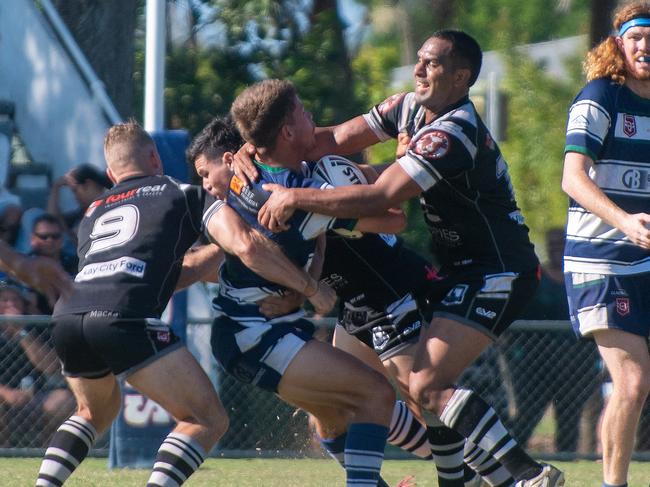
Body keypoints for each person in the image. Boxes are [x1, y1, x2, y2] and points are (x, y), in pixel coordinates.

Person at [235, 31, 564, 487]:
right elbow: (329, 139)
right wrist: (249, 149)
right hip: (447, 272)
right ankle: (469, 479)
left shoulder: (453, 134)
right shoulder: (406, 106)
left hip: (497, 269)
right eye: (420, 60)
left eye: (432, 63)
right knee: (385, 400)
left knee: (426, 386)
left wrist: (296, 198)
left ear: (462, 76)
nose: (419, 69)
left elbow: (385, 200)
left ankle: (522, 474)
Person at [191, 116, 513, 487]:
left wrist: (310, 277)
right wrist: (302, 286)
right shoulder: (249, 195)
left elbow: (389, 216)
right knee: (333, 414)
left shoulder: (300, 180)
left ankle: (505, 476)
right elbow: (260, 253)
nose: (205, 185)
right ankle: (472, 477)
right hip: (354, 304)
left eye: (205, 172)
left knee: (425, 399)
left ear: (231, 158)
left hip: (384, 292)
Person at [210, 79, 411, 487]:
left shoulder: (257, 171)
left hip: (254, 327)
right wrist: (410, 161)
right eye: (302, 112)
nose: (311, 117)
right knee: (377, 395)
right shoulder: (296, 196)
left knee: (333, 418)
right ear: (285, 131)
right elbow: (391, 215)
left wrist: (313, 272)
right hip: (256, 333)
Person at [34, 122, 231, 487]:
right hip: (121, 315)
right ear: (155, 157)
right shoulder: (179, 191)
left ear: (111, 174)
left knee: (93, 411)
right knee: (206, 418)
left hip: (68, 316)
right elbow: (236, 242)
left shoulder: (92, 211)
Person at [561, 2, 650, 485]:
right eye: (636, 37)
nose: (646, 46)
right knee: (633, 380)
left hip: (646, 262)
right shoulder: (600, 97)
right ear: (619, 43)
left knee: (632, 386)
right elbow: (573, 179)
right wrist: (625, 221)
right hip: (601, 261)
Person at [502, 228, 600, 453]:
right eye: (552, 244)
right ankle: (512, 460)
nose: (557, 248)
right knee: (527, 414)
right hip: (533, 364)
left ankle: (566, 458)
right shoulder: (536, 277)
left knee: (570, 416)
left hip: (577, 364)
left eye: (561, 243)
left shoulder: (579, 277)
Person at [0, 279, 74, 447]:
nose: (10, 305)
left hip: (36, 398)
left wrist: (20, 332)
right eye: (4, 300)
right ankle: (4, 453)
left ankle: (46, 451)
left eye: (15, 300)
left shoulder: (38, 327)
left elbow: (50, 366)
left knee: (63, 401)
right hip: (3, 397)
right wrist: (7, 394)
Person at [47, 163, 112, 244]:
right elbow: (50, 223)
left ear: (88, 185)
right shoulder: (83, 212)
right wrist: (56, 187)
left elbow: (80, 242)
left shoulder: (111, 204)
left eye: (75, 191)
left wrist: (67, 231)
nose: (75, 197)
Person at [28, 214, 78, 314]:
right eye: (44, 236)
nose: (50, 240)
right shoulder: (23, 264)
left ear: (62, 238)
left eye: (55, 236)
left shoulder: (75, 263)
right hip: (35, 325)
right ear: (33, 238)